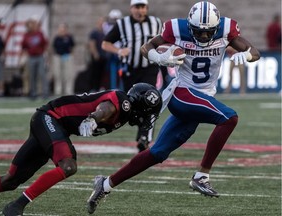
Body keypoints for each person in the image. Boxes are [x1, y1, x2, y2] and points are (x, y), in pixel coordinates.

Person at [87, 1, 260, 214]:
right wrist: (158, 57)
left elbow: (255, 51)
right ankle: (202, 175)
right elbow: (146, 47)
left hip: (201, 98)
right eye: (199, 32)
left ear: (216, 28)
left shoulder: (227, 28)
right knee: (229, 118)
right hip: (182, 94)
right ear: (190, 26)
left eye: (208, 33)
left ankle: (105, 184)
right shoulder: (176, 28)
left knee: (157, 153)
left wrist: (248, 55)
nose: (204, 37)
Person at [0, 82, 162, 216]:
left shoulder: (125, 114)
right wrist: (94, 118)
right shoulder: (123, 102)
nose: (147, 118)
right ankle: (16, 207)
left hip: (53, 125)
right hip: (50, 118)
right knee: (68, 166)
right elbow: (105, 108)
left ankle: (15, 205)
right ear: (139, 106)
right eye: (148, 113)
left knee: (10, 181)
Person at [101, 0, 163, 152]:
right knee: (132, 106)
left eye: (142, 7)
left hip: (149, 69)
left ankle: (144, 138)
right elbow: (105, 43)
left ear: (147, 8)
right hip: (130, 70)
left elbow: (166, 40)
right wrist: (119, 51)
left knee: (151, 101)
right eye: (137, 7)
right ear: (131, 8)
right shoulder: (122, 24)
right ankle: (139, 125)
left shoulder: (156, 22)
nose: (140, 11)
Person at [20, 15, 49, 99]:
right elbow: (23, 46)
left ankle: (45, 92)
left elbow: (45, 44)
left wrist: (46, 55)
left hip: (40, 56)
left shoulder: (40, 33)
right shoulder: (26, 35)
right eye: (30, 24)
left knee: (42, 74)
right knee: (32, 76)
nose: (32, 26)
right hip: (31, 57)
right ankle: (33, 93)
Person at [52, 23, 76, 95]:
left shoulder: (69, 37)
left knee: (68, 74)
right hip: (58, 57)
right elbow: (54, 47)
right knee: (58, 74)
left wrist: (70, 55)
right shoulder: (57, 38)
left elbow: (72, 46)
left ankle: (68, 90)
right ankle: (58, 90)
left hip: (67, 57)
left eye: (64, 29)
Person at [88, 17, 109, 92]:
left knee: (102, 73)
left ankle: (100, 87)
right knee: (95, 73)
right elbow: (91, 44)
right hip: (97, 56)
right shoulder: (94, 33)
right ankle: (93, 88)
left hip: (104, 56)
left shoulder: (105, 33)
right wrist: (95, 53)